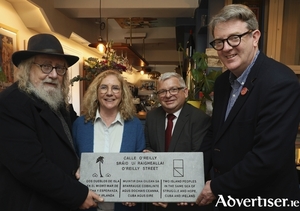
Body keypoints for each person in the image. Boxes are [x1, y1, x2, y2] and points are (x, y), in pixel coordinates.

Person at [196, 4, 300, 210]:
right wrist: (194, 176)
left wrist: (216, 187)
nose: (226, 47)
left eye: (235, 38)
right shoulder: (222, 82)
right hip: (227, 198)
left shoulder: (281, 82)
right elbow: (215, 134)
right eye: (219, 41)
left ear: (255, 37)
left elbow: (268, 158)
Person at [0, 33, 103, 210]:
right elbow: (30, 166)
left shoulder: (56, 101)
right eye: (45, 66)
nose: (54, 74)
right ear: (27, 68)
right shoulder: (11, 103)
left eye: (60, 68)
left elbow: (77, 136)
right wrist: (78, 194)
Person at [72, 69, 146, 211]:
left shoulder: (134, 125)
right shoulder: (80, 125)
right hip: (88, 206)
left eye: (116, 88)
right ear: (96, 92)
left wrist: (135, 191)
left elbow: (140, 165)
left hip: (124, 206)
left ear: (122, 94)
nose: (109, 93)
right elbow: (71, 161)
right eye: (104, 87)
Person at [143, 72, 211, 211]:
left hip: (184, 199)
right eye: (162, 91)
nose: (168, 95)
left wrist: (172, 190)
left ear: (185, 92)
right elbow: (149, 148)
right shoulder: (152, 117)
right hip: (156, 197)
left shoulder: (199, 119)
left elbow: (197, 159)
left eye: (173, 89)